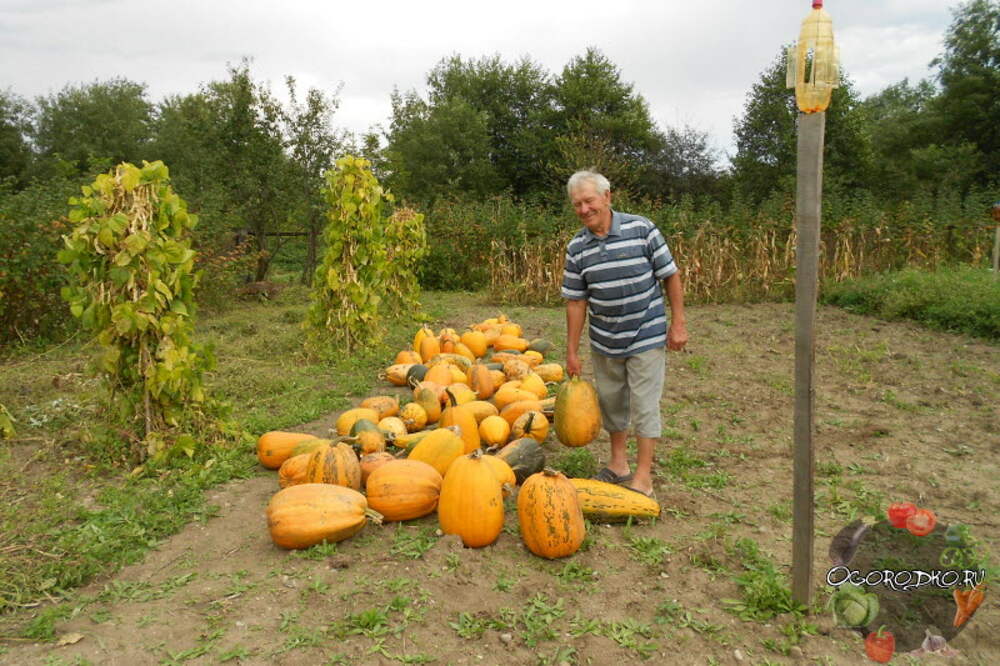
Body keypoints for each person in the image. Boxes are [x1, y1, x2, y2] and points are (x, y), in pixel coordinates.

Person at [561, 170, 688, 498]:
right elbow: (576, 302)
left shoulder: (641, 229)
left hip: (646, 332)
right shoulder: (577, 247)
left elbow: (670, 276)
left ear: (607, 197)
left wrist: (678, 323)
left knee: (645, 405)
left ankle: (643, 477)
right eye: (577, 204)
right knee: (612, 403)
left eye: (589, 200)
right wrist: (572, 351)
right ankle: (619, 465)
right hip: (605, 339)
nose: (584, 209)